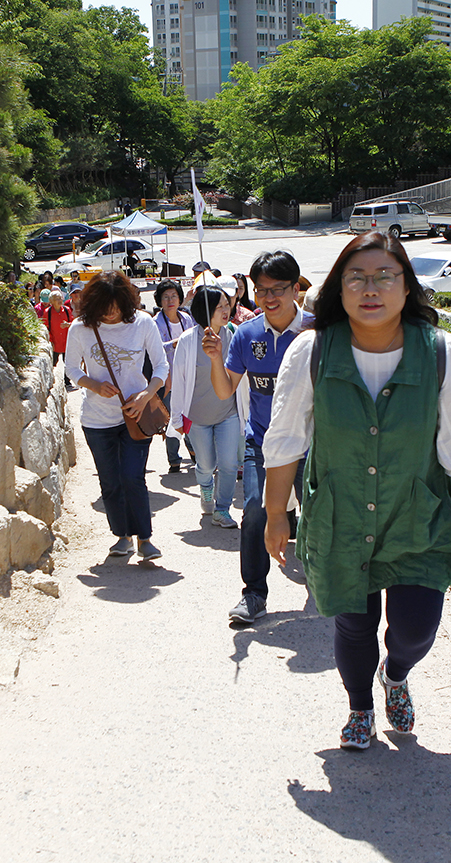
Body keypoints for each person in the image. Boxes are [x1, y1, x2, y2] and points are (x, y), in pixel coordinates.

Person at [261, 232, 451, 750]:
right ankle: (359, 707)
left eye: (385, 276)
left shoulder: (441, 353)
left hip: (418, 516)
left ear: (407, 287)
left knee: (416, 627)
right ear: (337, 291)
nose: (371, 288)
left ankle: (398, 672)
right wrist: (278, 512)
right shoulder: (312, 351)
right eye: (356, 277)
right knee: (353, 623)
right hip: (340, 515)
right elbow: (285, 439)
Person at [203, 250, 312, 626]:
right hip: (262, 443)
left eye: (278, 289)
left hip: (314, 446)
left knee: (320, 516)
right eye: (261, 290)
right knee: (253, 511)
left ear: (296, 289)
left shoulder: (319, 331)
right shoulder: (246, 335)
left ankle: (322, 583)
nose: (268, 298)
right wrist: (216, 358)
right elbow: (223, 391)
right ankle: (253, 594)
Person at [64, 271, 170, 562]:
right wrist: (93, 384)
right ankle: (121, 536)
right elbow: (71, 368)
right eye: (104, 308)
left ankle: (144, 539)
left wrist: (146, 395)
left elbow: (161, 367)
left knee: (133, 477)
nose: (110, 314)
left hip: (135, 416)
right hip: (97, 420)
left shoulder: (143, 322)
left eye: (116, 307)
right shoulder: (80, 328)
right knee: (110, 481)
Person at [170, 285, 247, 529]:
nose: (226, 310)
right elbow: (180, 382)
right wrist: (177, 419)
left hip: (228, 413)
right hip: (197, 417)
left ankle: (222, 509)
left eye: (228, 304)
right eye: (220, 307)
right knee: (205, 464)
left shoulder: (232, 335)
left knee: (229, 464)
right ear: (206, 312)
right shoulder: (188, 340)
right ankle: (206, 488)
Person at [153, 280, 194, 474]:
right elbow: (154, 349)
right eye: (165, 297)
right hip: (168, 378)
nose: (170, 300)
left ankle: (194, 451)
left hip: (189, 375)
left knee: (191, 415)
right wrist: (174, 344)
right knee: (172, 418)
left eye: (174, 296)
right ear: (160, 300)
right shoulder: (155, 322)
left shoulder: (186, 318)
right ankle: (174, 459)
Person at [41, 288, 72, 370]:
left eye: (60, 298)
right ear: (51, 301)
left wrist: (68, 324)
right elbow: (45, 328)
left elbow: (73, 323)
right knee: (53, 363)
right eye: (57, 299)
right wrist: (51, 341)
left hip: (66, 342)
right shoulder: (48, 312)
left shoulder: (66, 310)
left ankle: (67, 381)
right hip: (55, 343)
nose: (60, 300)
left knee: (69, 363)